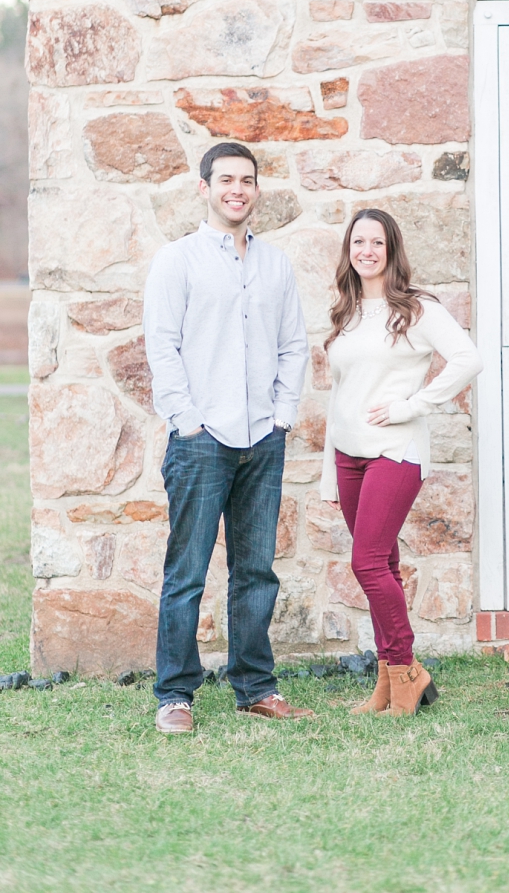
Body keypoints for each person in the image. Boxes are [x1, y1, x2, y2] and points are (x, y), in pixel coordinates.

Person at [143, 141, 311, 735]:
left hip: (262, 436)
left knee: (256, 570)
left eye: (247, 180)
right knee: (186, 572)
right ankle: (175, 695)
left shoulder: (276, 265)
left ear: (257, 189)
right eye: (226, 180)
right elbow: (161, 346)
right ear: (205, 187)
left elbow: (294, 345)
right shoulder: (178, 260)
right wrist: (185, 418)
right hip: (201, 437)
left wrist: (282, 415)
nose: (237, 189)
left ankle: (254, 687)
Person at [320, 208, 482, 715]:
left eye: (377, 243)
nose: (366, 251)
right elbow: (339, 395)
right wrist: (330, 467)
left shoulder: (415, 309)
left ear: (392, 250)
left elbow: (468, 359)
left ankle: (408, 670)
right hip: (349, 455)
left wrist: (412, 406)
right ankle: (391, 683)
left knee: (366, 563)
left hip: (396, 451)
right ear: (349, 250)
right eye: (358, 242)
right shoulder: (346, 312)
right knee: (383, 563)